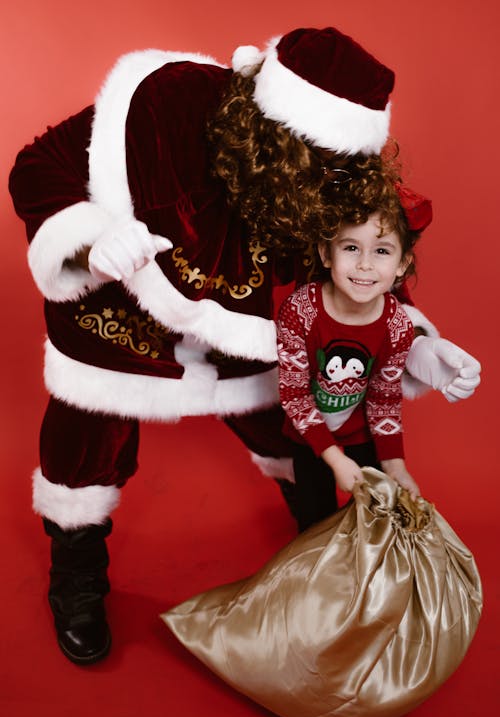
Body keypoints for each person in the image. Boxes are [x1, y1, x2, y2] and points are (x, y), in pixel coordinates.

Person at [9, 27, 480, 665]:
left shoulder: (340, 180)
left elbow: (361, 276)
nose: (332, 181)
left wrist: (418, 343)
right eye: (317, 159)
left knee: (288, 425)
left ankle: (318, 553)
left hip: (248, 335)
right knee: (85, 439)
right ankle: (77, 569)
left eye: (343, 165)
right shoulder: (167, 109)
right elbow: (38, 166)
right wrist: (92, 239)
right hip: (124, 316)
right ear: (275, 129)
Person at [277, 180, 429, 531]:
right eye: (350, 247)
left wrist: (395, 464)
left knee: (381, 514)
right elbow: (295, 395)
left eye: (381, 251)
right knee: (315, 521)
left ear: (403, 262)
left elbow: (384, 399)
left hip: (363, 432)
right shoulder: (300, 311)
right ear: (326, 253)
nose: (364, 265)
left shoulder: (396, 324)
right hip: (310, 434)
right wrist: (333, 460)